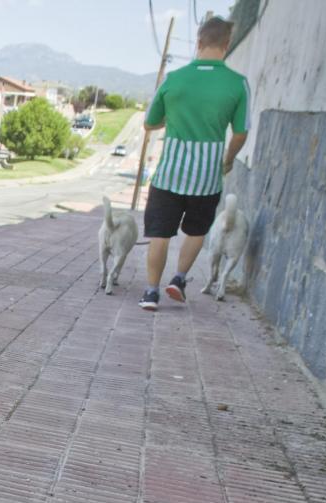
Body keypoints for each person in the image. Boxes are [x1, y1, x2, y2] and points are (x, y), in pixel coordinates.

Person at [138, 16, 250, 311]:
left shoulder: (174, 79)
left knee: (160, 234)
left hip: (169, 175)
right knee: (197, 231)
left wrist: (171, 118)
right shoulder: (238, 84)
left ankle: (150, 293)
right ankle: (178, 278)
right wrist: (227, 161)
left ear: (198, 42)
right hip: (207, 176)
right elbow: (241, 133)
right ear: (226, 46)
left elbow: (149, 123)